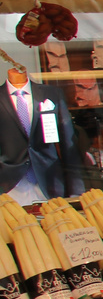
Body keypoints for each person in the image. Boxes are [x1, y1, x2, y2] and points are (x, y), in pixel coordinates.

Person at [0, 71, 84, 203]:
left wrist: (76, 189)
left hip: (49, 181)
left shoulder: (51, 94)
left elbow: (68, 142)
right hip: (9, 185)